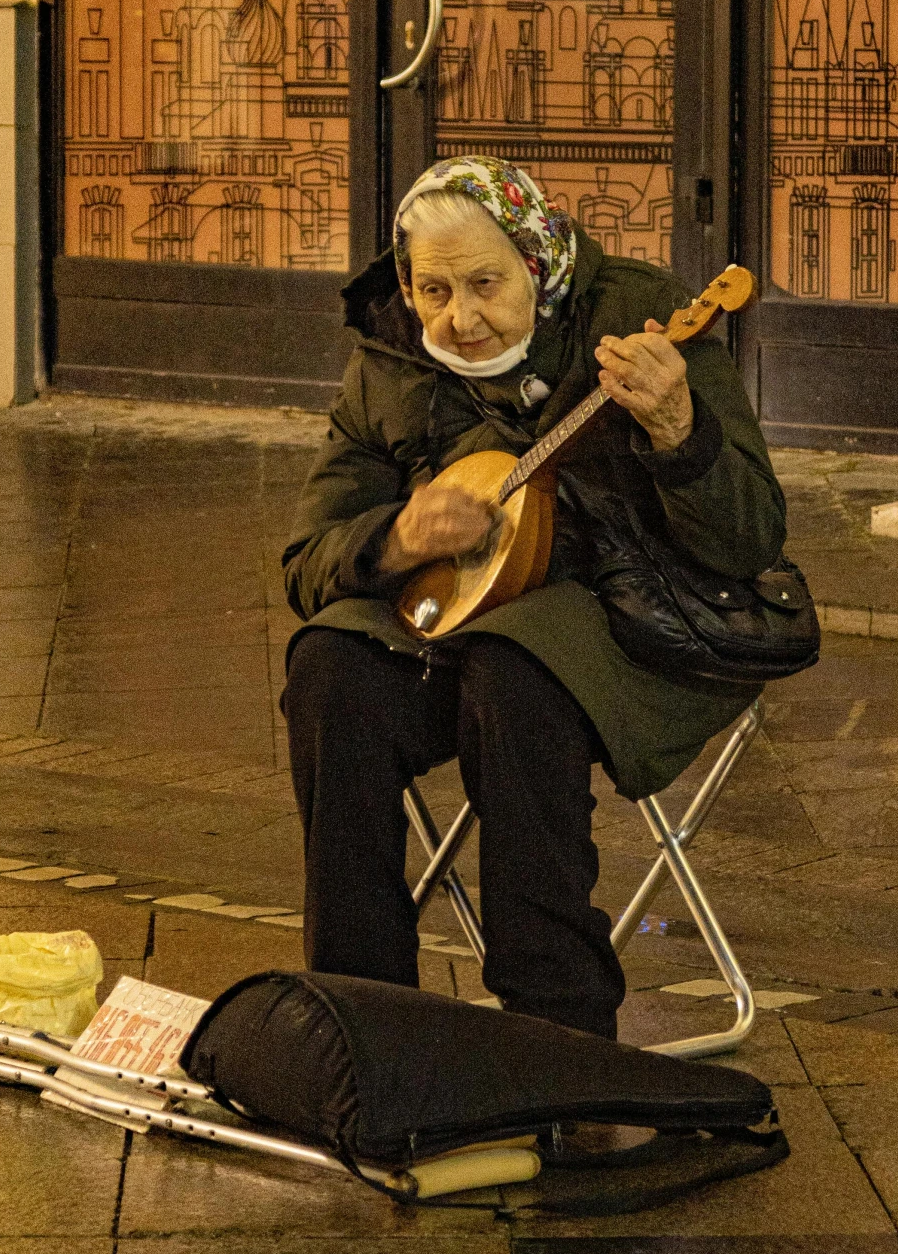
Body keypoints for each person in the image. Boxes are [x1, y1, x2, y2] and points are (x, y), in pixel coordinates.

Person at [282, 156, 786, 1039]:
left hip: (640, 617)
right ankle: (361, 1010)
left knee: (515, 671)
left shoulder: (638, 314)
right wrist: (395, 539)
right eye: (433, 290)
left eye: (484, 283)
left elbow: (748, 539)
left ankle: (556, 1020)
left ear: (537, 260)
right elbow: (305, 559)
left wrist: (677, 430)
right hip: (456, 615)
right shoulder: (389, 359)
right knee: (333, 667)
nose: (459, 317)